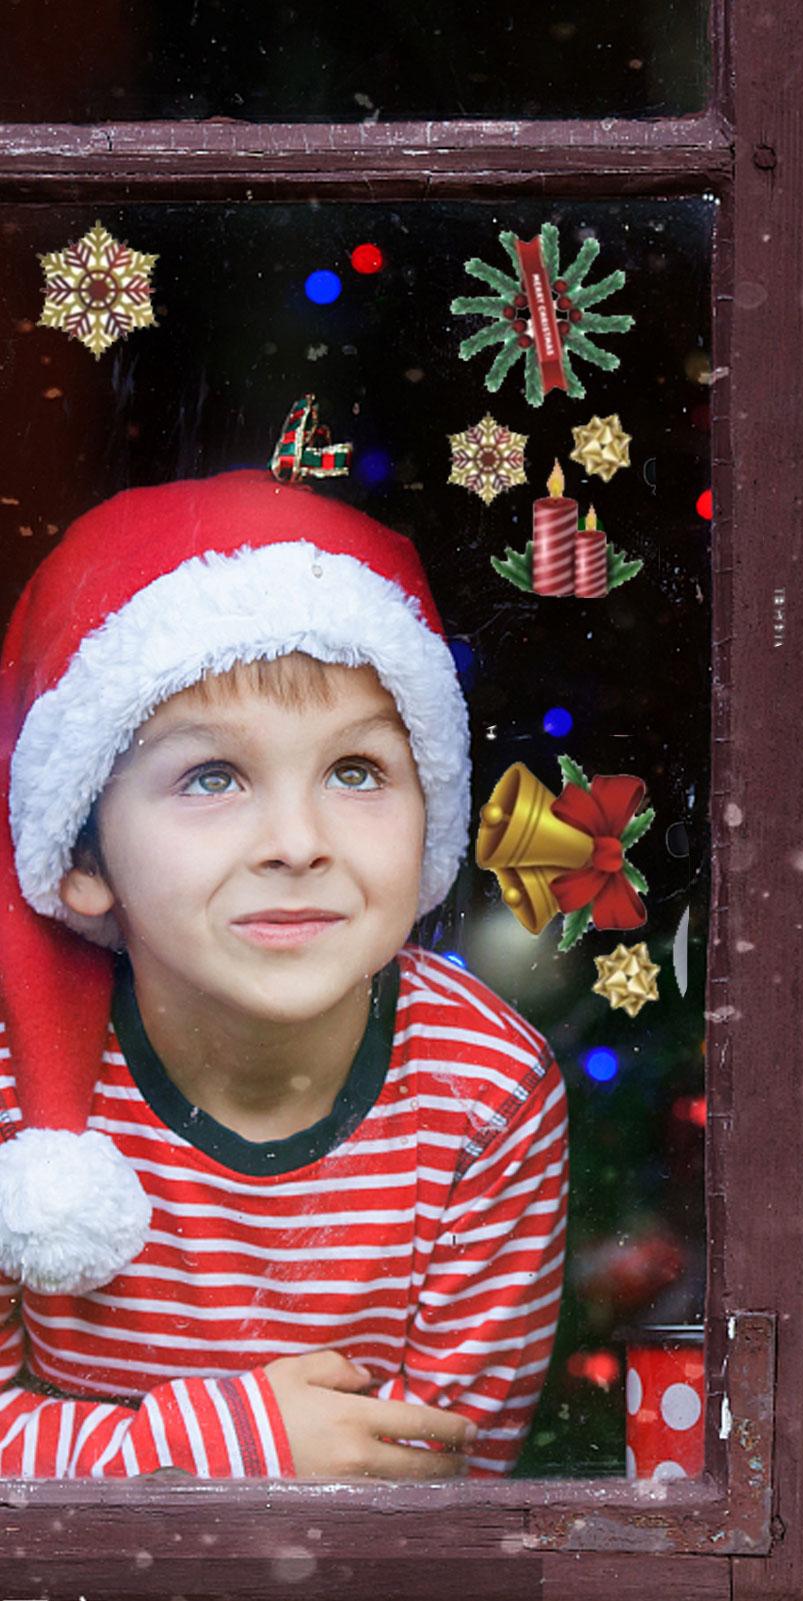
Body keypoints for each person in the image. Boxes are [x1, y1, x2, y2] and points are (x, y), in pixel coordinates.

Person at [0, 470, 568, 1478]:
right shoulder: (14, 1087)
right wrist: (233, 1446)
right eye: (212, 776)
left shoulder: (486, 1090)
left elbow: (445, 1476)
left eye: (356, 771)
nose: (298, 841)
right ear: (82, 858)